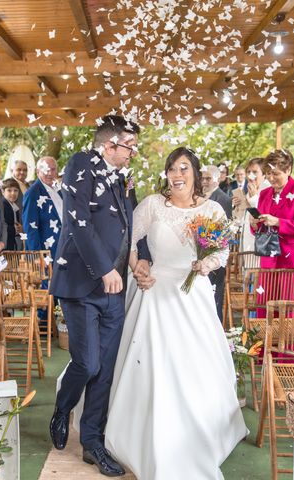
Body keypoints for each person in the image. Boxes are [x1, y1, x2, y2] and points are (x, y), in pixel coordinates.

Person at [105, 147, 247, 479]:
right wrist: (137, 267)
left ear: (195, 174)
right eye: (172, 168)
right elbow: (129, 239)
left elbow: (221, 250)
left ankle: (198, 433)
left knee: (195, 365)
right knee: (153, 364)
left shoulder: (211, 209)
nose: (176, 174)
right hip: (153, 292)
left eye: (184, 168)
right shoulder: (153, 204)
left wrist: (206, 263)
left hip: (192, 293)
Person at [49, 115, 148, 477]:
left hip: (115, 288)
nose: (133, 153)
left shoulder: (123, 178)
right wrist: (104, 269)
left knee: (105, 370)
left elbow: (129, 225)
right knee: (87, 363)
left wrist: (139, 260)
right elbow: (79, 222)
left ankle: (93, 441)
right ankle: (62, 409)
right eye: (129, 147)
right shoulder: (80, 164)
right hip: (81, 283)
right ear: (109, 144)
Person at [251, 149, 294, 269]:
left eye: (275, 174)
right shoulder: (264, 193)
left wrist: (277, 222)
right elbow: (261, 230)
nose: (270, 178)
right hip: (269, 260)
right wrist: (255, 225)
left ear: (288, 170)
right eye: (268, 173)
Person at [201, 164, 232, 323]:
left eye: (208, 178)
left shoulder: (223, 199)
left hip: (214, 254)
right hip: (200, 255)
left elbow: (224, 232)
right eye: (202, 178)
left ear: (217, 180)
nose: (204, 182)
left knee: (215, 298)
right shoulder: (199, 197)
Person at [23, 156, 63, 259]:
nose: (49, 173)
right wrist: (37, 256)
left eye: (53, 169)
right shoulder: (32, 193)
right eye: (45, 169)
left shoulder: (59, 190)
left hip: (64, 249)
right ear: (37, 171)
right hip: (47, 253)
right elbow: (30, 228)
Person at [234, 157, 271, 252]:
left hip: (261, 243)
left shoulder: (269, 190)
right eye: (248, 172)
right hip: (246, 240)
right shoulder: (249, 190)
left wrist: (254, 198)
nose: (250, 175)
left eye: (255, 172)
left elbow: (262, 217)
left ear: (264, 174)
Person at [1, 178, 23, 250]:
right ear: (3, 192)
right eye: (9, 190)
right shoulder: (3, 204)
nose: (13, 193)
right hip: (4, 243)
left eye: (15, 190)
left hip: (11, 241)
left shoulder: (13, 206)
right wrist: (15, 228)